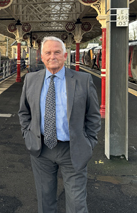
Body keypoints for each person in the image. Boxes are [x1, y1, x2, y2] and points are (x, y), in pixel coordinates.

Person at [18, 36, 101, 213]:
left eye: (57, 52)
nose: (52, 56)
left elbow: (93, 116)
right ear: (41, 57)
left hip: (73, 149)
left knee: (77, 202)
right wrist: (28, 136)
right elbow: (24, 112)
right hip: (41, 150)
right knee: (45, 200)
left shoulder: (84, 80)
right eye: (48, 53)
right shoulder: (31, 80)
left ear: (65, 55)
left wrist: (89, 141)